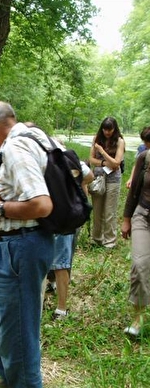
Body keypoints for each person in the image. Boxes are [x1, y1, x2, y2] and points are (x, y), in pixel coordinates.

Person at [0, 100, 55, 388]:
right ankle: (12, 376)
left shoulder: (16, 148)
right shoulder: (40, 138)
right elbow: (84, 173)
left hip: (20, 245)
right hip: (4, 245)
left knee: (17, 332)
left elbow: (42, 205)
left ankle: (22, 382)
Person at [47, 161, 94, 320]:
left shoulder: (48, 162)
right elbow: (90, 176)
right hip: (72, 215)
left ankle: (61, 308)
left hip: (61, 218)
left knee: (61, 262)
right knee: (61, 259)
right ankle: (53, 284)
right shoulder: (73, 161)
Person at [121, 148, 150, 337]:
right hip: (143, 215)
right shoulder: (145, 157)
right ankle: (138, 318)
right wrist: (126, 218)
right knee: (139, 264)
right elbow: (134, 192)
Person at [89, 117, 125, 249]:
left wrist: (102, 151)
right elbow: (91, 159)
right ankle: (96, 238)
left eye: (109, 130)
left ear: (114, 129)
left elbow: (116, 163)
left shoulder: (120, 141)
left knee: (110, 211)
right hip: (98, 178)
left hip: (113, 179)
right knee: (97, 210)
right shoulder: (97, 139)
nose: (107, 132)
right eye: (105, 129)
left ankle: (110, 241)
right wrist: (104, 162)